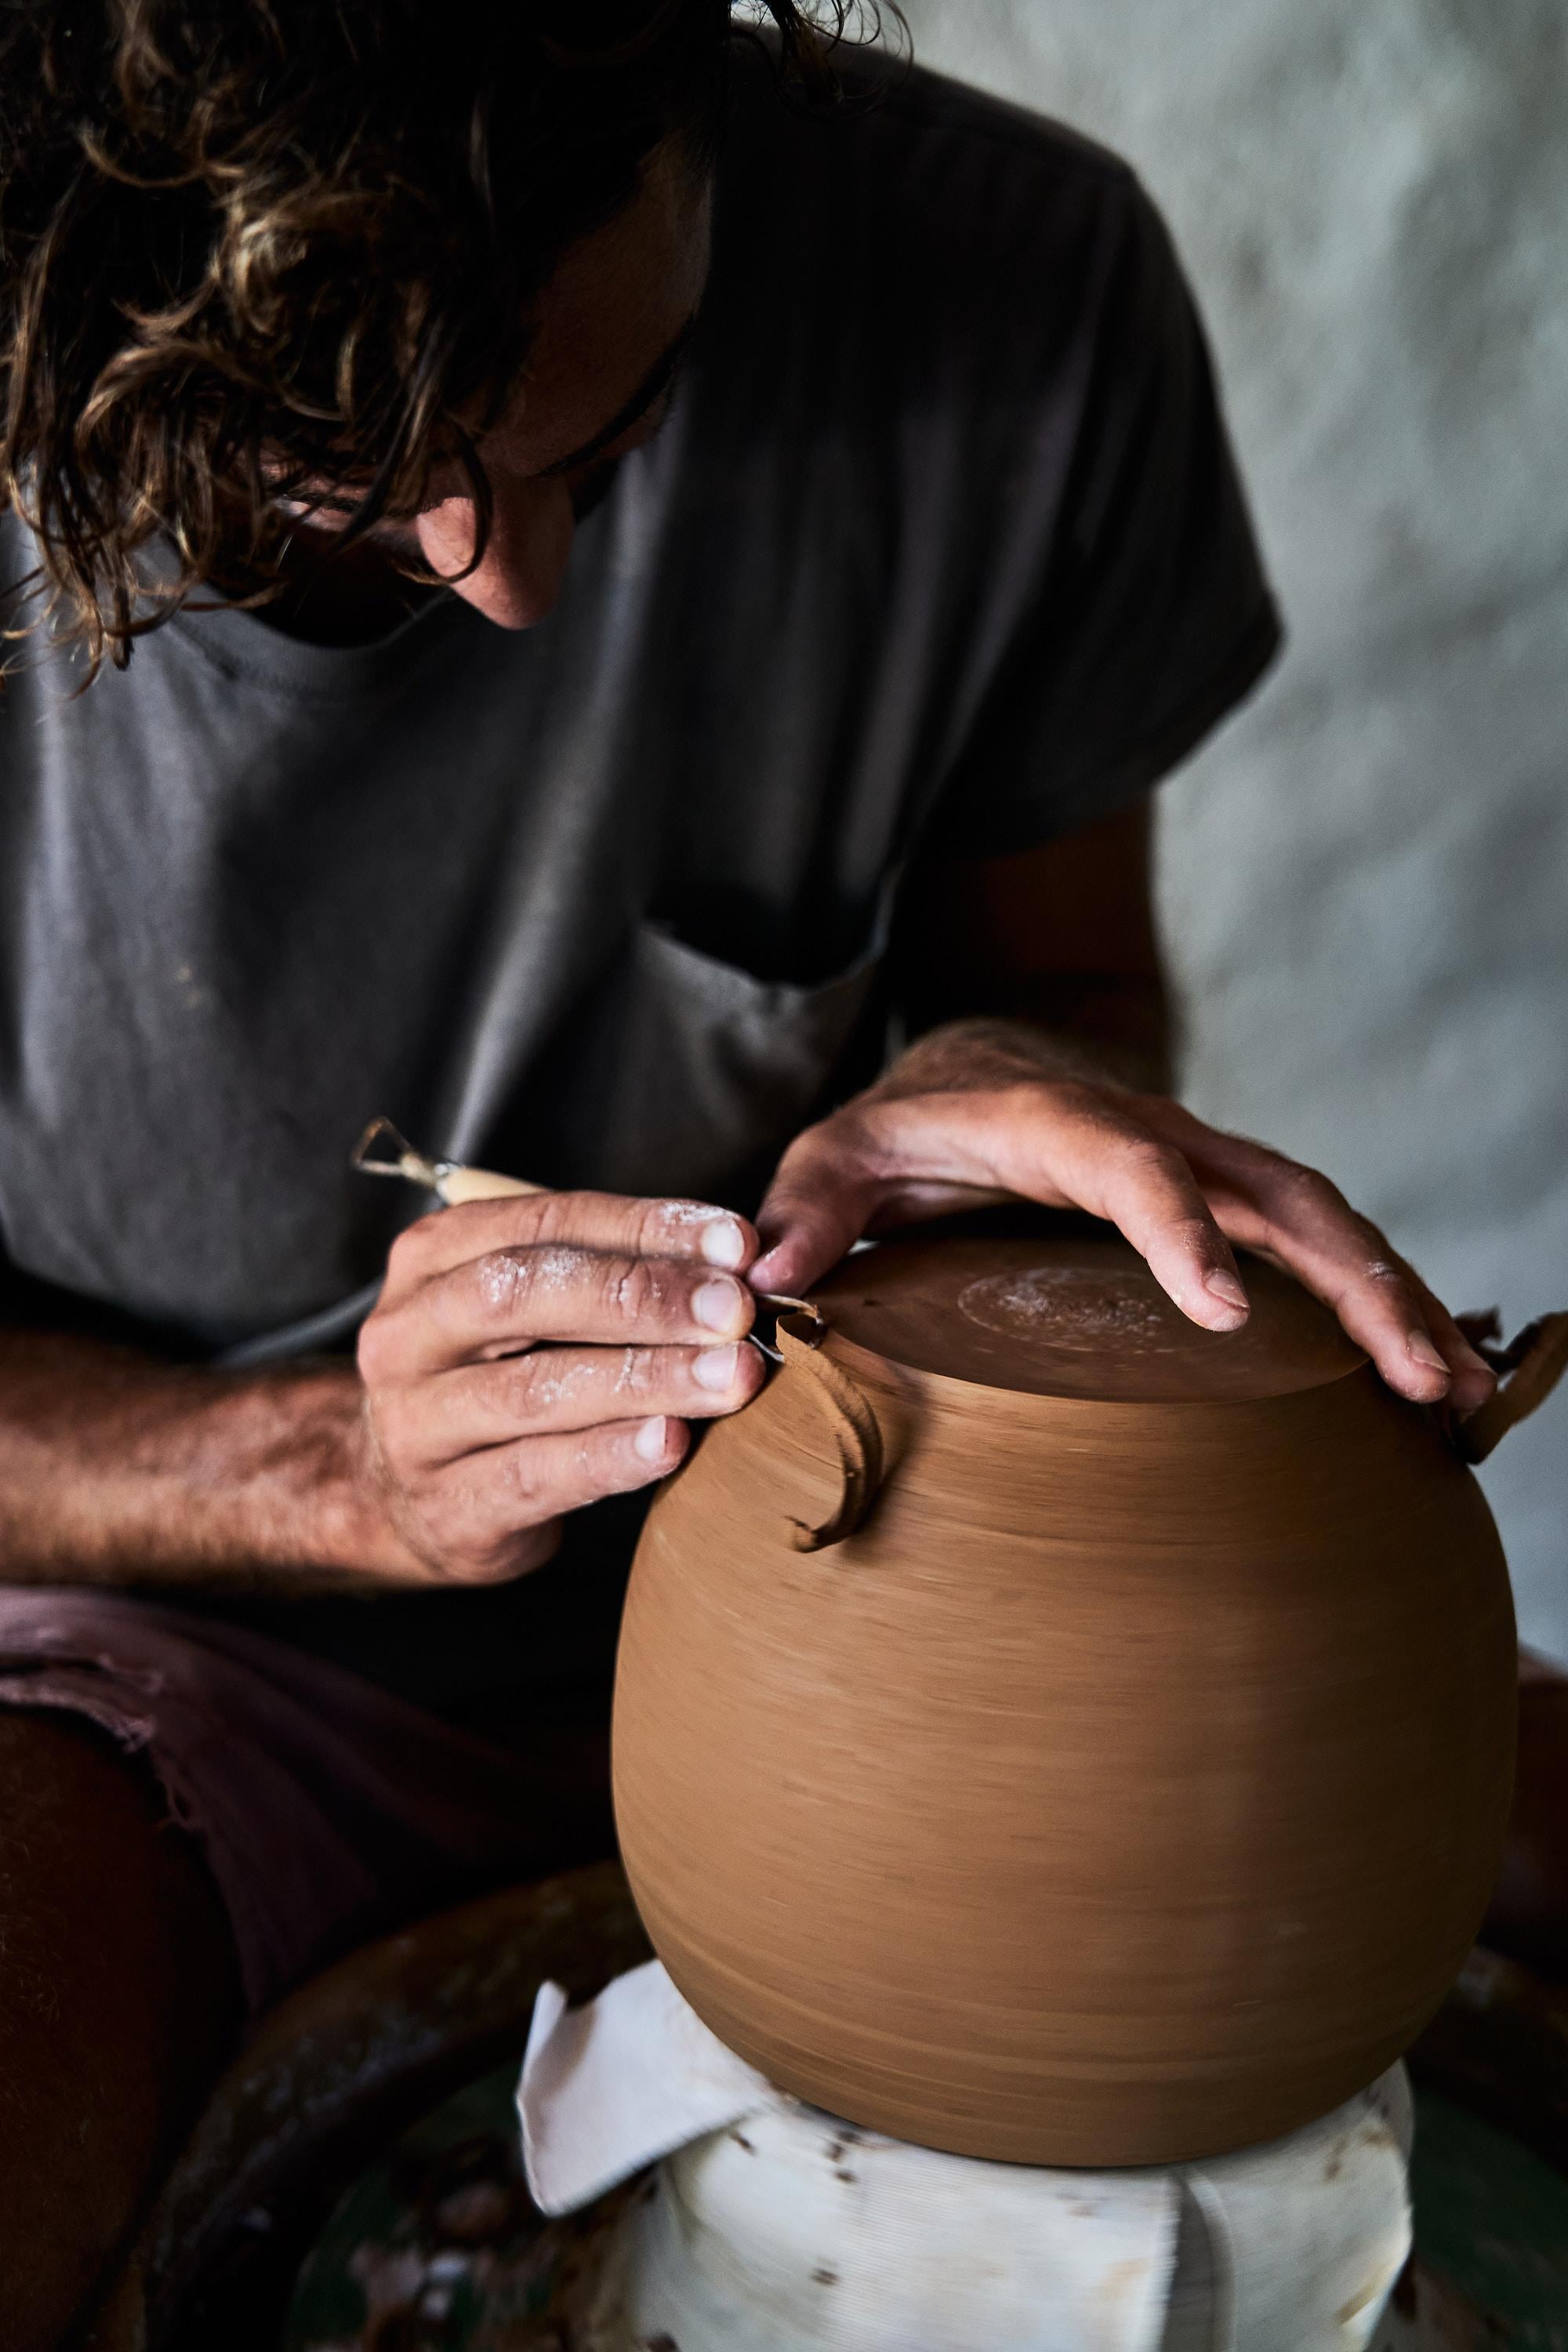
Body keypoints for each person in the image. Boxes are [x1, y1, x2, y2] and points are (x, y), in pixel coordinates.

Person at [0, 2, 1497, 2340]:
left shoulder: (1005, 279)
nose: (511, 590)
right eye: (327, 493)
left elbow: (1073, 986)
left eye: (611, 431)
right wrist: (337, 1481)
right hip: (191, 1651)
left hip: (867, 1557)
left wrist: (1007, 1074)